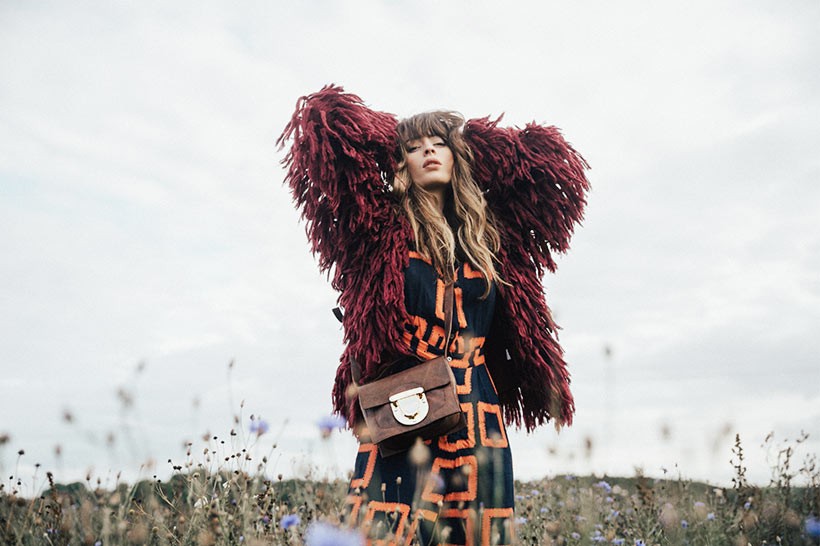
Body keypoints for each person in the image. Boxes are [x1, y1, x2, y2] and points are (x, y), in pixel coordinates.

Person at [278, 85, 589, 545]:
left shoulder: (490, 238)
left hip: (476, 403)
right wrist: (393, 135)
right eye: (414, 146)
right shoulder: (379, 228)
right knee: (388, 530)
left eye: (439, 143)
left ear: (458, 156)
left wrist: (472, 139)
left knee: (477, 532)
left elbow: (550, 167)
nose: (427, 151)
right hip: (404, 399)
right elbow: (325, 128)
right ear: (399, 161)